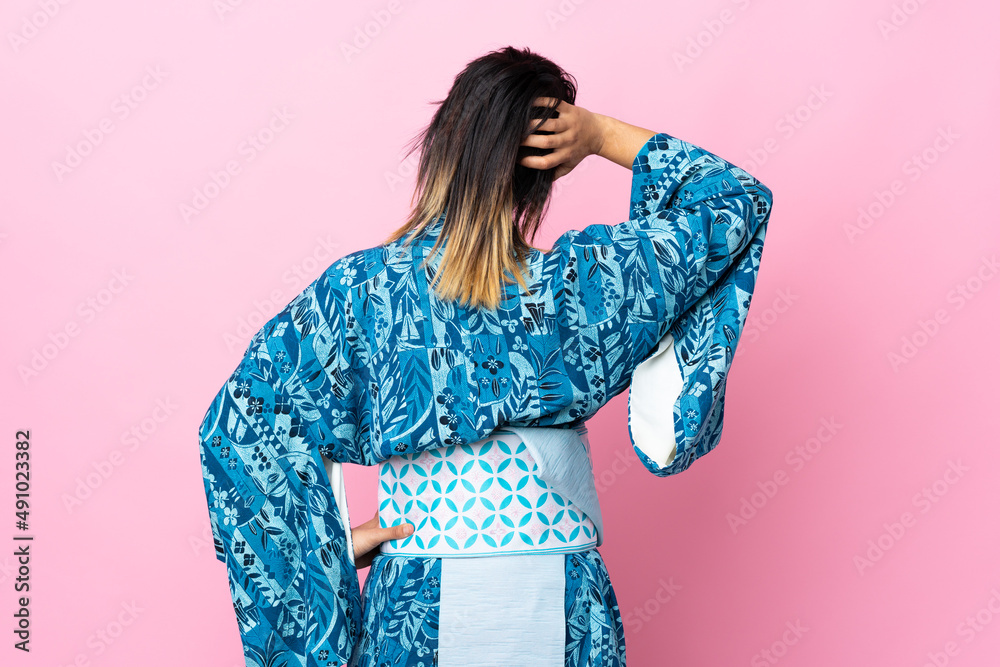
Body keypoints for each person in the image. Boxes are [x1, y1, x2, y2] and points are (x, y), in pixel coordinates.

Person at [198, 45, 772, 667]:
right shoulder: (582, 286)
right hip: (565, 605)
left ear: (444, 147)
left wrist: (319, 554)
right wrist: (600, 134)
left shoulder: (363, 294)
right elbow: (733, 199)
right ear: (544, 169)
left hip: (415, 609)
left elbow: (241, 426)